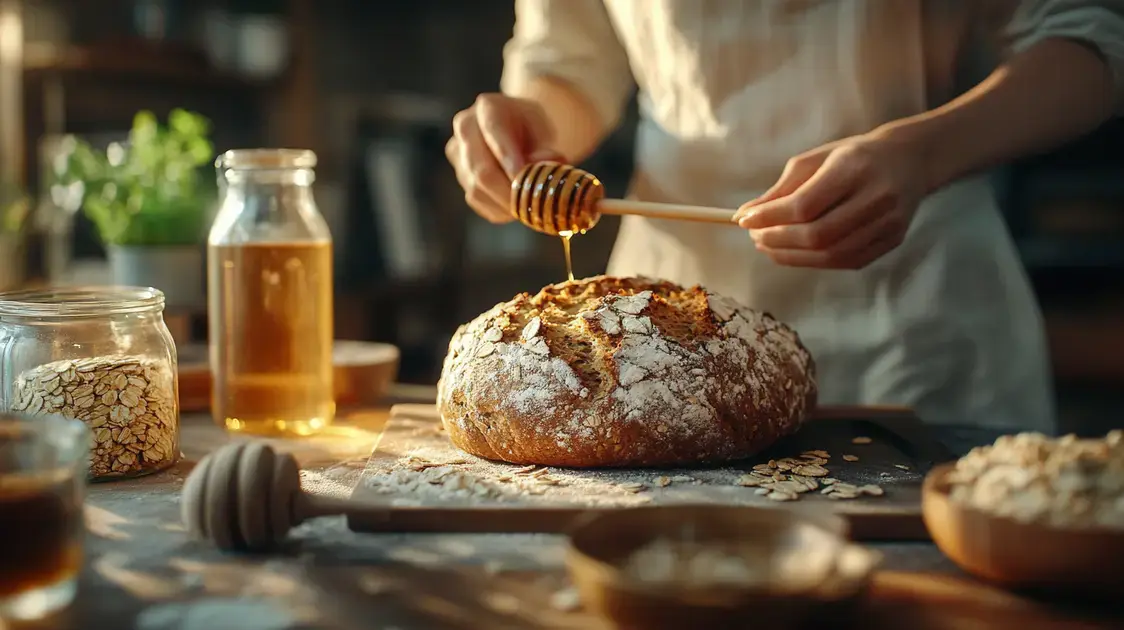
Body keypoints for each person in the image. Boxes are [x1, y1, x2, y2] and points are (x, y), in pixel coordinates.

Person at [444, 0, 1124, 433]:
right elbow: (570, 60)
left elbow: (1089, 33)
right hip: (662, 337)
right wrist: (533, 121)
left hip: (920, 301)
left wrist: (924, 152)